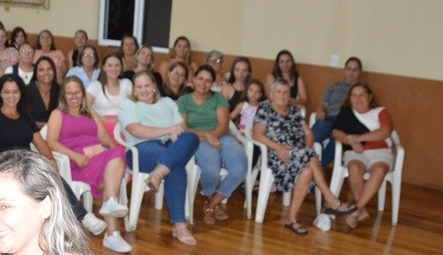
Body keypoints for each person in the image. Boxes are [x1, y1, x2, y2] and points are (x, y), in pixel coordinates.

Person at [0, 75, 108, 237]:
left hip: (27, 165)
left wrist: (51, 159)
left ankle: (78, 219)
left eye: (15, 91)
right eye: (6, 92)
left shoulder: (25, 117)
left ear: (21, 93)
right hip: (6, 169)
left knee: (53, 178)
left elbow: (41, 144)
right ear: (0, 94)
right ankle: (80, 218)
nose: (11, 96)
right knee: (43, 184)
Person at [252, 78, 357, 235]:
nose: (283, 95)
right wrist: (279, 148)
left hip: (298, 153)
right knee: (308, 161)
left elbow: (309, 134)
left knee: (308, 170)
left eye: (286, 92)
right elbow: (257, 135)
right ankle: (330, 200)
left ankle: (291, 219)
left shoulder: (294, 112)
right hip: (277, 156)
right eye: (279, 92)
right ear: (272, 94)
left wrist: (305, 148)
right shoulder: (264, 109)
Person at [47, 77, 131, 253]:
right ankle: (112, 233)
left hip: (97, 158)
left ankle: (112, 230)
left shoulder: (90, 112)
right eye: (69, 93)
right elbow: (51, 142)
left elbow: (104, 138)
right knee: (112, 175)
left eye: (77, 92)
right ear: (63, 95)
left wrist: (117, 156)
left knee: (117, 154)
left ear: (83, 93)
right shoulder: (58, 114)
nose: (74, 96)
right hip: (76, 163)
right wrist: (75, 156)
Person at [118, 70, 200, 245]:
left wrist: (173, 131)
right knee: (176, 165)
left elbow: (180, 126)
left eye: (147, 85)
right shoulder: (128, 105)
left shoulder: (167, 102)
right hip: (141, 149)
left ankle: (159, 172)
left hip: (170, 145)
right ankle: (179, 225)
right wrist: (167, 130)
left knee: (192, 137)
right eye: (139, 87)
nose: (144, 90)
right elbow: (136, 130)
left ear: (154, 86)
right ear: (134, 89)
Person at [178, 64, 248, 225]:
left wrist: (213, 135)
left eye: (208, 81)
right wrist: (208, 136)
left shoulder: (218, 98)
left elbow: (223, 125)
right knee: (211, 169)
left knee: (241, 167)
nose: (203, 83)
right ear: (194, 79)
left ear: (213, 83)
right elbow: (184, 128)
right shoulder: (184, 100)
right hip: (196, 138)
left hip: (221, 135)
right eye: (200, 79)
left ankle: (212, 203)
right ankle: (211, 197)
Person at [331, 82, 394, 228]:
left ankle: (356, 209)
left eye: (362, 95)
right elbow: (335, 132)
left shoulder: (380, 111)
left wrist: (359, 138)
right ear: (350, 98)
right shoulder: (346, 112)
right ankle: (362, 210)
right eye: (354, 95)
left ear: (370, 97)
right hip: (355, 151)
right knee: (354, 167)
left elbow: (386, 131)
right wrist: (351, 142)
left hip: (380, 151)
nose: (358, 99)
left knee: (379, 170)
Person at [312, 56, 363, 168]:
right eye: (349, 69)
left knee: (335, 144)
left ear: (359, 72)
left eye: (355, 69)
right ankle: (305, 166)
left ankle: (316, 170)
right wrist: (321, 110)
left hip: (344, 123)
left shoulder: (361, 90)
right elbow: (323, 104)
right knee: (312, 138)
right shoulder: (335, 86)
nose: (351, 72)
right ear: (345, 70)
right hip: (329, 118)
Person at [86, 51, 131, 140]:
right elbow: (86, 106)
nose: (114, 69)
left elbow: (133, 106)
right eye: (110, 65)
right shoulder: (95, 86)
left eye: (117, 65)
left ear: (121, 67)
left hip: (124, 124)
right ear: (104, 67)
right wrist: (102, 119)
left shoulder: (127, 83)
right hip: (101, 126)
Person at [28, 56, 60, 127]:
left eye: (49, 69)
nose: (46, 73)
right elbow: (25, 120)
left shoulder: (60, 89)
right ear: (36, 73)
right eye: (41, 70)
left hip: (57, 132)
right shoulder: (28, 91)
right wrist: (47, 126)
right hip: (33, 133)